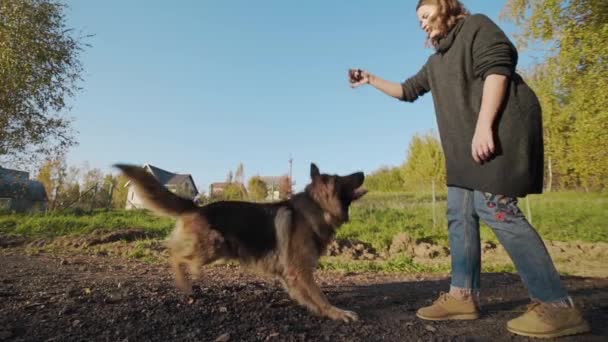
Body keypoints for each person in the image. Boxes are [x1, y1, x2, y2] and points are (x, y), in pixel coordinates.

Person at [348, 0, 591, 338]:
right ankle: (463, 296)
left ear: (446, 6)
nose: (422, 22)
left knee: (494, 206)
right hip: (465, 149)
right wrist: (371, 78)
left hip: (500, 130)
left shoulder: (476, 26)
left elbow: (497, 69)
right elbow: (407, 91)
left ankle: (557, 306)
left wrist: (484, 126)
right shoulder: (436, 61)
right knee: (458, 212)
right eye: (417, 19)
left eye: (426, 13)